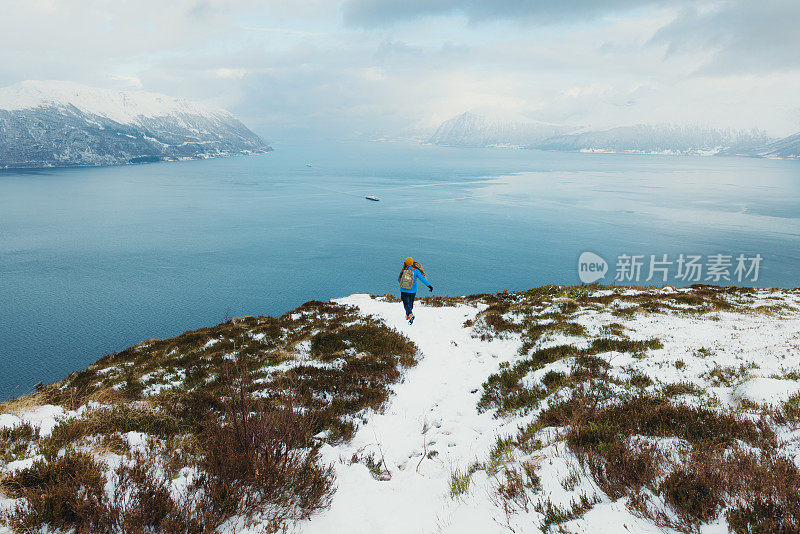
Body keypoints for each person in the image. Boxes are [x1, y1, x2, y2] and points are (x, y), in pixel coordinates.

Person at [398, 256, 432, 324]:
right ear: (412, 263)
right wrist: (429, 286)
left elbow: (399, 280)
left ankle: (410, 315)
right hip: (412, 290)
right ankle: (409, 315)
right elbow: (422, 279)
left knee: (406, 303)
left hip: (404, 290)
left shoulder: (404, 270)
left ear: (406, 263)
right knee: (410, 304)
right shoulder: (416, 271)